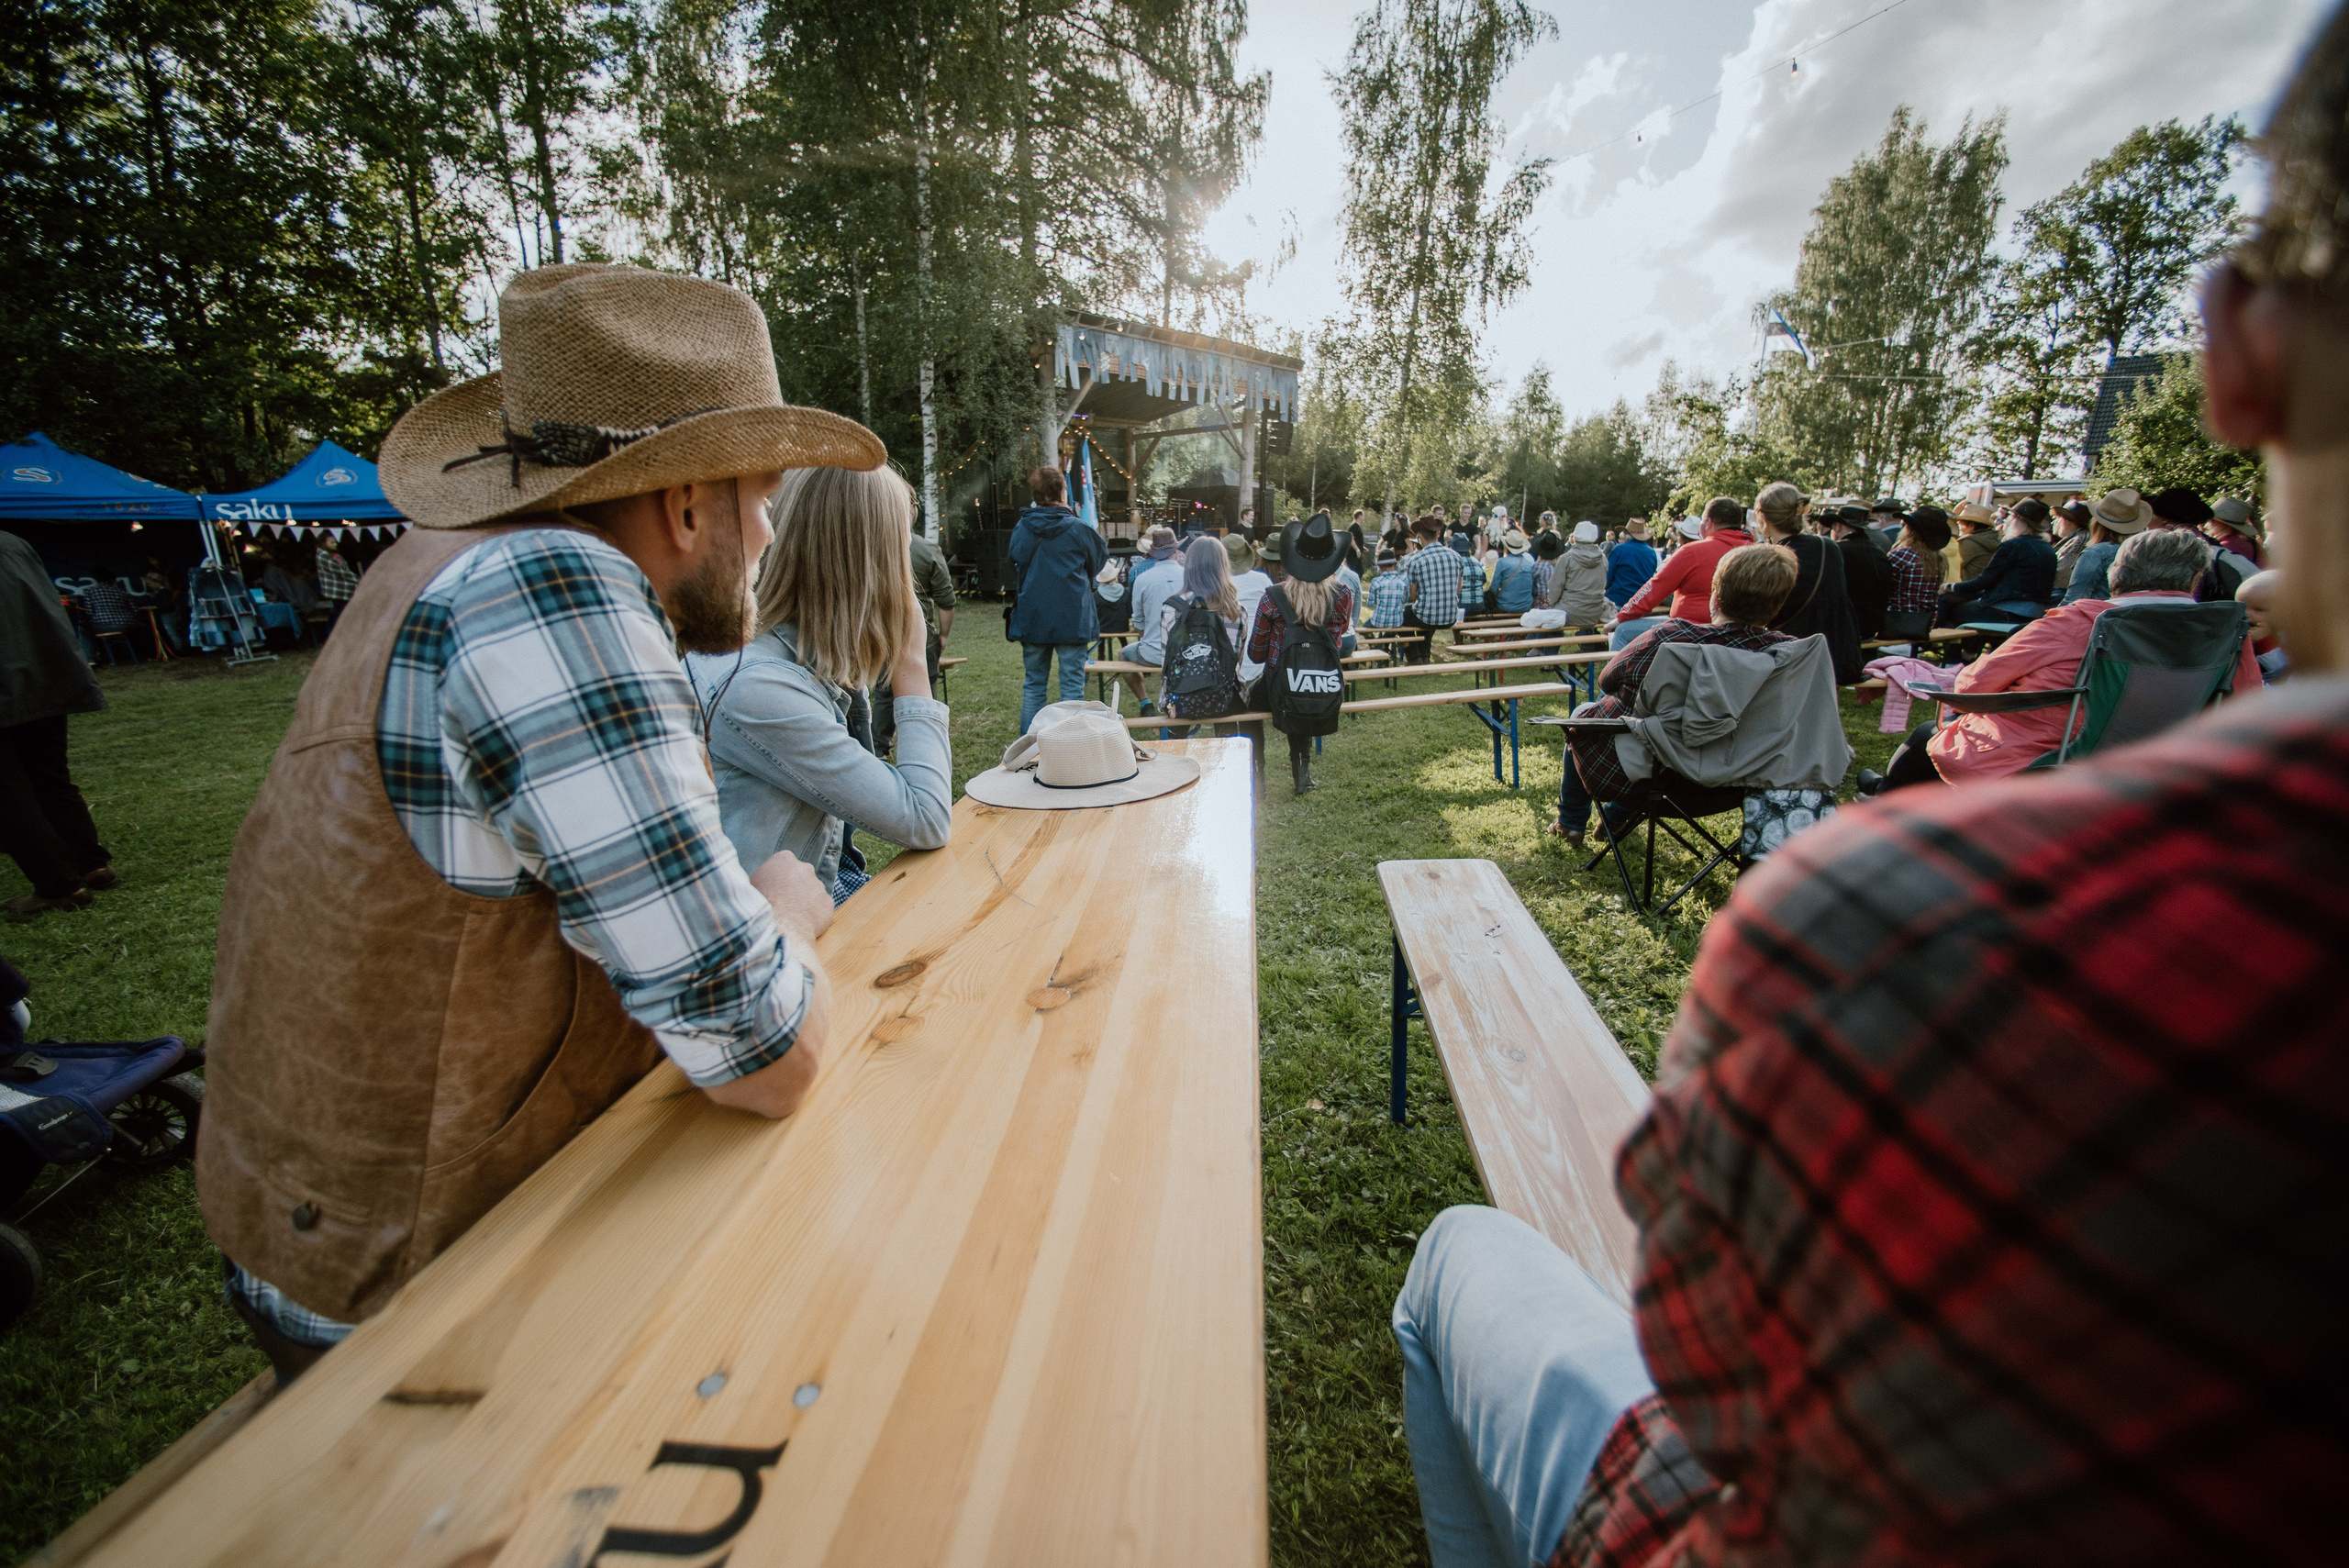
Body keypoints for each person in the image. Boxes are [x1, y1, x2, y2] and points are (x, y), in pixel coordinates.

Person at [1394, 25, 2349, 1560]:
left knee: (1456, 1254)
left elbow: (1707, 1367)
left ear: (2240, 346)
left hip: (1679, 788)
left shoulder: (1888, 936)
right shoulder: (1890, 677)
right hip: (1778, 776)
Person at [198, 263, 864, 1383]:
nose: (764, 535)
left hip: (301, 1215)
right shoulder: (558, 585)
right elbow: (763, 1051)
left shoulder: (427, 557)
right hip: (416, 1276)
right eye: (762, 492)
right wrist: (788, 911)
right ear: (685, 498)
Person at [686, 465, 952, 905]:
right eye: (899, 555)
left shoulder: (813, 662)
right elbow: (925, 819)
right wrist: (911, 665)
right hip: (768, 933)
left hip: (822, 890)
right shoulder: (758, 686)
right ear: (870, 568)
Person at [1865, 526, 2263, 793]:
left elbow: (1972, 685)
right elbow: (2245, 709)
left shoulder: (2083, 621)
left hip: (2051, 759)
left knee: (1927, 735)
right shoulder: (2225, 631)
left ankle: (1880, 811)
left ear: (2117, 573)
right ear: (2195, 580)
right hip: (2163, 769)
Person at [1547, 542, 1798, 847]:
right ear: (1779, 604)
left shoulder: (1671, 637)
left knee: (1585, 717)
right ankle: (1613, 819)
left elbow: (1609, 678)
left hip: (1657, 779)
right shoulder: (1789, 655)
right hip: (1739, 781)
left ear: (1714, 597)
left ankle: (1571, 824)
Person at [0, 529, 115, 917]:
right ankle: (90, 863)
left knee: (10, 795)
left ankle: (59, 885)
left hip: (16, 679)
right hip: (44, 674)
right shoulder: (11, 544)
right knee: (51, 778)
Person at [1244, 514, 1353, 795]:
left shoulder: (1272, 596)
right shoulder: (1343, 595)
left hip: (1279, 687)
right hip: (1323, 685)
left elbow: (1256, 654)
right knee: (1300, 690)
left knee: (1249, 706)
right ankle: (1302, 773)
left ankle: (1257, 776)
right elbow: (1337, 642)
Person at [1008, 464, 1108, 731]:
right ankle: (1071, 746)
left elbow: (1014, 560)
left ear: (1035, 493)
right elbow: (1097, 563)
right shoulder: (1079, 528)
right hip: (1072, 617)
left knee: (1034, 684)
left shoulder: (1022, 528)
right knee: (1072, 686)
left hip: (1033, 615)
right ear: (1062, 491)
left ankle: (1027, 749)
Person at [1750, 482, 1863, 683]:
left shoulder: (1770, 558)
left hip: (1789, 657)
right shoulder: (1828, 547)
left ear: (1763, 518)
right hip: (1836, 656)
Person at [873, 521, 957, 756]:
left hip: (880, 634)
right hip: (919, 637)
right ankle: (928, 751)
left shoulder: (869, 544)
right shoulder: (926, 549)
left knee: (883, 694)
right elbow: (947, 601)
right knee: (924, 697)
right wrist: (944, 634)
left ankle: (877, 748)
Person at [1156, 535, 1250, 740]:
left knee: (1177, 720)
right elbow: (1235, 662)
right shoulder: (1237, 611)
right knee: (1229, 700)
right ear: (1223, 567)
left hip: (1179, 700)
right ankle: (1227, 754)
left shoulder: (1171, 608)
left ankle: (1176, 756)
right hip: (1224, 700)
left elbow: (1167, 662)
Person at [1610, 497, 1751, 631]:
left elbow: (1656, 587)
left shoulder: (1693, 551)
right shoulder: (1756, 551)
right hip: (1744, 634)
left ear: (1708, 522)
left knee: (1623, 630)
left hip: (1690, 631)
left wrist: (1622, 616)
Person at [1939, 497, 2059, 627]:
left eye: (2010, 516)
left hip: (2008, 611)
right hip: (2035, 613)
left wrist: (1950, 587)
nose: (2007, 520)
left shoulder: (2014, 545)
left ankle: (1931, 642)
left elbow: (1984, 581)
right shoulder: (2047, 547)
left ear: (2018, 520)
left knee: (1950, 610)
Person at [1126, 526, 1186, 715]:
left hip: (1152, 653)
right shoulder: (1189, 576)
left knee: (1124, 655)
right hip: (1186, 652)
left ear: (1152, 552)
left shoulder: (1142, 579)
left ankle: (1145, 702)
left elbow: (1139, 625)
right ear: (1175, 552)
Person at [2059, 488, 2150, 604]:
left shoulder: (2096, 553)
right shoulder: (2145, 553)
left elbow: (2074, 599)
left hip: (2096, 617)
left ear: (2097, 523)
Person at [1882, 505, 1951, 639]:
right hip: (1924, 625)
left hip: (1895, 623)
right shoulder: (1940, 559)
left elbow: (1884, 589)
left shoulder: (1900, 555)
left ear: (1908, 529)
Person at [1402, 515, 1463, 664]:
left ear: (1420, 537)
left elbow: (1412, 596)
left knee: (1402, 616)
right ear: (1438, 534)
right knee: (1429, 610)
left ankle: (1414, 656)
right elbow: (1458, 590)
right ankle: (1425, 654)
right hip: (1450, 616)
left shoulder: (1415, 560)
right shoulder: (1456, 557)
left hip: (1428, 616)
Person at [1829, 500, 1891, 640]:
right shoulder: (1878, 552)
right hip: (1870, 630)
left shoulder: (1836, 551)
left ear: (1837, 526)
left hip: (1840, 632)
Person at [1549, 520, 1609, 629]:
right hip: (1594, 613)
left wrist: (1553, 604)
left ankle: (1544, 646)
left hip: (1568, 612)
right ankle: (1590, 646)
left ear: (1575, 538)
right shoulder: (1603, 559)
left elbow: (1555, 589)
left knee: (1550, 619)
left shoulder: (1567, 558)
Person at [2238, 567, 2290, 682]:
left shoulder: (2291, 638)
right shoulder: (2238, 631)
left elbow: (2282, 670)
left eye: (2259, 610)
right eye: (2242, 608)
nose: (2247, 614)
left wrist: (2264, 642)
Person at [1605, 517, 1657, 611]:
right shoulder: (1652, 553)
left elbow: (1607, 577)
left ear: (1625, 534)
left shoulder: (1619, 550)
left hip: (1618, 600)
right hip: (1641, 600)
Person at [314, 536, 361, 633]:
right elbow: (341, 572)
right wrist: (360, 581)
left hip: (343, 590)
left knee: (341, 613)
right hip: (336, 590)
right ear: (324, 544)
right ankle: (332, 634)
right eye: (332, 543)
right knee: (339, 613)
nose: (335, 544)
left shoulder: (335, 555)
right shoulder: (323, 556)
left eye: (335, 542)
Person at [2208, 495, 2266, 569]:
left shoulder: (2227, 544)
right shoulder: (2248, 540)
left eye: (2212, 520)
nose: (2209, 524)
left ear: (2223, 525)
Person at [1490, 528, 1540, 614]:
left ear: (1506, 546)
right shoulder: (1528, 563)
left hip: (1505, 606)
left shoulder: (1502, 562)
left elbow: (1494, 588)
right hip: (1525, 606)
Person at [2051, 499, 2093, 595]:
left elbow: (2063, 573)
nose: (2054, 523)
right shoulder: (2077, 538)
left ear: (2067, 521)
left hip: (2063, 595)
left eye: (2057, 518)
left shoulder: (2081, 539)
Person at [1953, 499, 1999, 579]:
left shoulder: (1969, 544)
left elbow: (1949, 563)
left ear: (1971, 525)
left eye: (1961, 522)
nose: (1958, 525)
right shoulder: (1986, 539)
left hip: (1962, 588)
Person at [1367, 550, 1408, 628]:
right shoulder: (1404, 580)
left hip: (1378, 621)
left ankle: (1376, 640)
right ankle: (1387, 639)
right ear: (1395, 564)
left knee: (1365, 628)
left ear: (1380, 566)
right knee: (1392, 629)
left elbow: (1370, 604)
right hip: (1397, 622)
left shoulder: (1376, 581)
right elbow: (1405, 600)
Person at [1453, 528, 1486, 624]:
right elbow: (1483, 580)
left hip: (1461, 605)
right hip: (1479, 604)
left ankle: (1458, 638)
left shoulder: (1455, 562)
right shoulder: (1477, 562)